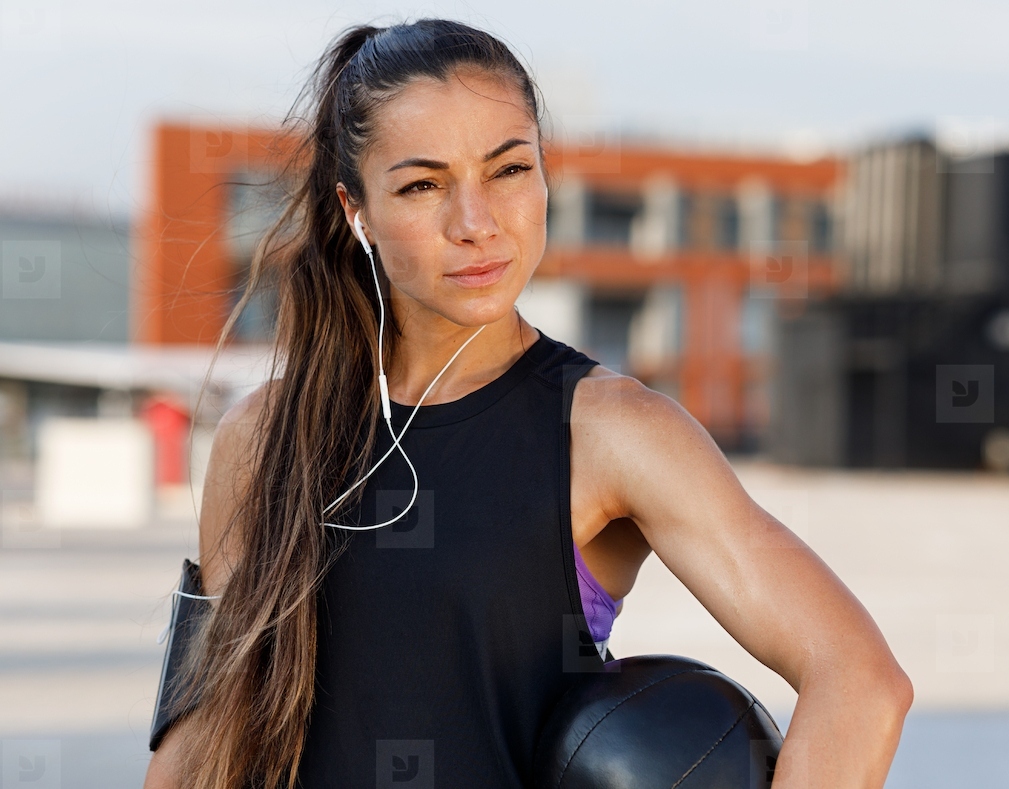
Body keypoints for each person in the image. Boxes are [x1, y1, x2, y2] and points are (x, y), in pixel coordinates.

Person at [143, 17, 912, 789]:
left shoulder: (611, 431)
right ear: (357, 211)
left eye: (508, 170)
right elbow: (198, 746)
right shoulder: (261, 438)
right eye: (422, 185)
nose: (475, 224)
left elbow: (858, 679)